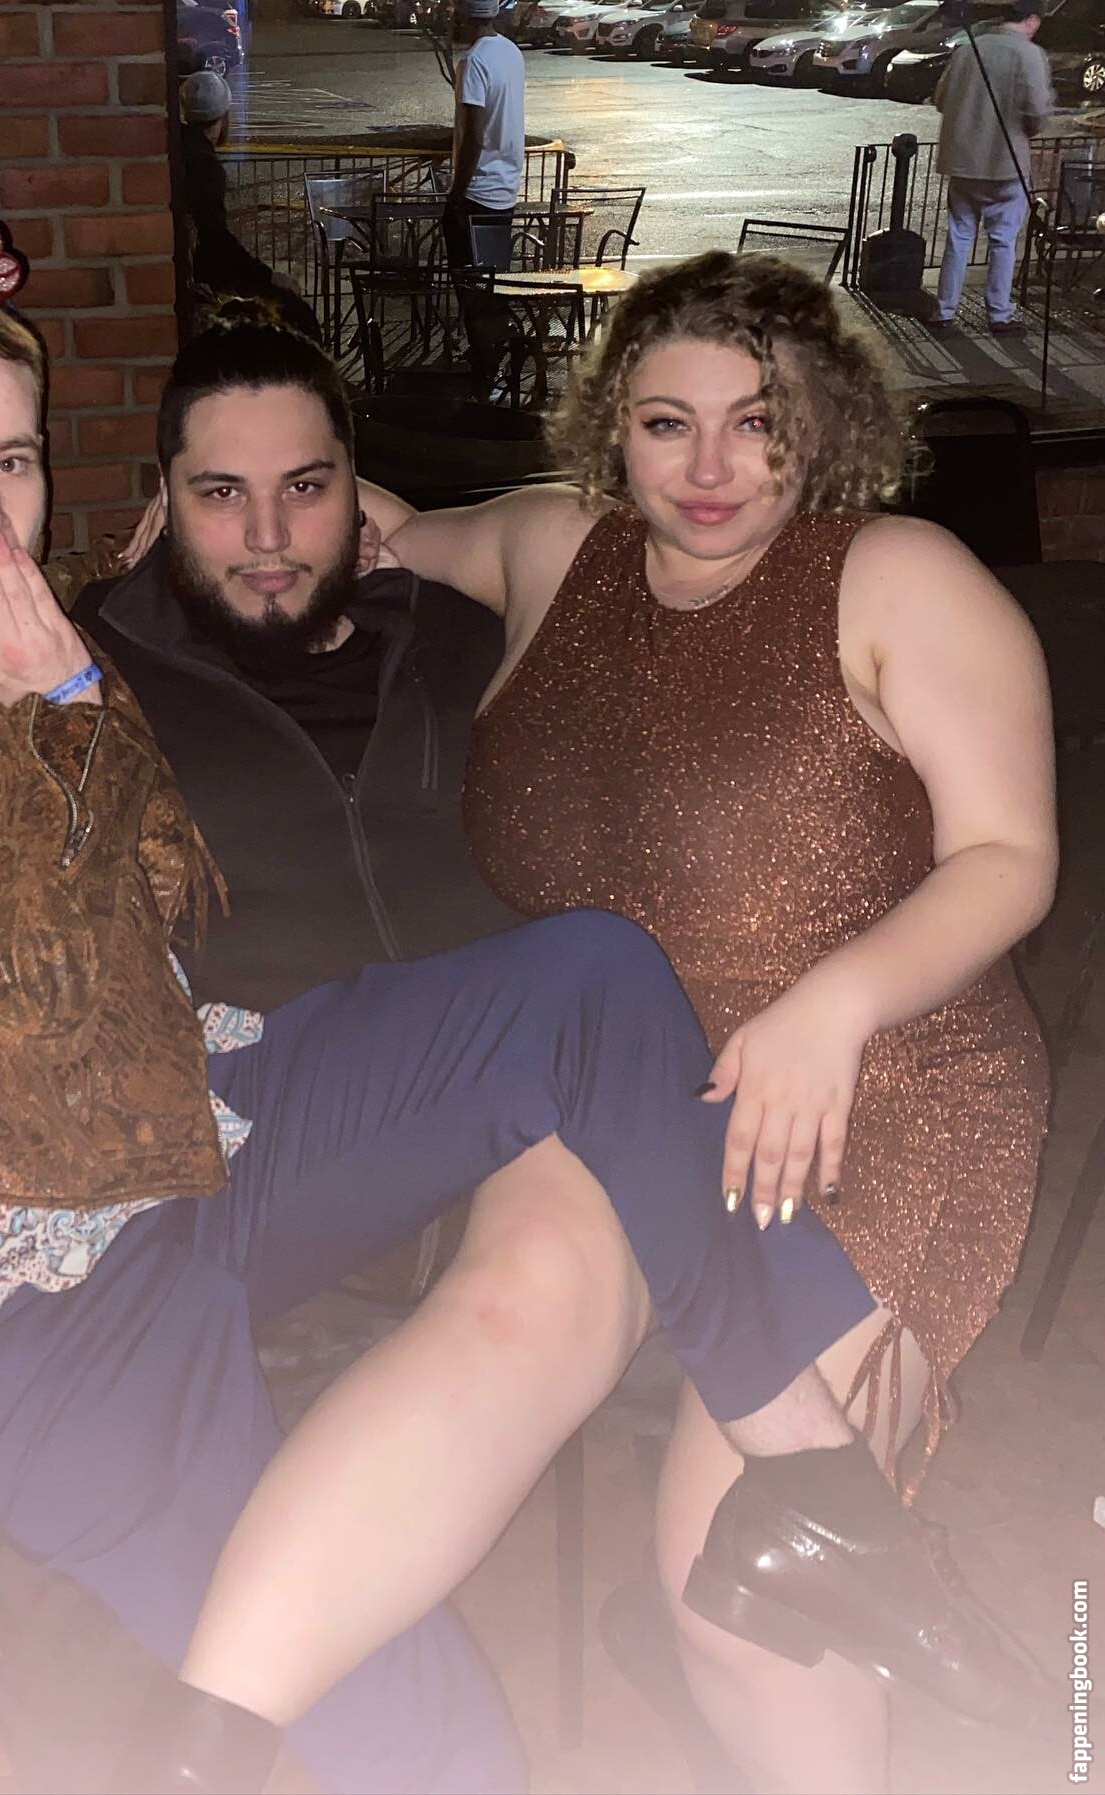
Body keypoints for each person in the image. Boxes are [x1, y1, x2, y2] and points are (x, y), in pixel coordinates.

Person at [0, 271, 1038, 1792]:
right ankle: (206, 1749)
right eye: (219, 494)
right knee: (420, 1726)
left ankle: (813, 1500)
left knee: (594, 975)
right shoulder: (65, 654)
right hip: (83, 1249)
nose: (266, 533)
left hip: (359, 1111)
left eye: (10, 462)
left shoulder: (461, 609)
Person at [376, 248, 1056, 1793]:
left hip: (883, 1084)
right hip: (630, 1101)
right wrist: (216, 514)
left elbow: (1011, 857)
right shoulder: (556, 547)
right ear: (610, 424)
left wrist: (835, 1001)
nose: (709, 467)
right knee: (481, 1352)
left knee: (748, 1578)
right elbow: (386, 527)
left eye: (760, 424)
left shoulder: (895, 576)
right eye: (666, 422)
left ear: (826, 428)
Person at [930, 0, 1053, 336]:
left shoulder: (968, 49)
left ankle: (944, 310)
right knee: (1003, 240)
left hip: (962, 162)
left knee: (959, 237)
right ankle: (998, 313)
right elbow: (1036, 112)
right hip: (1005, 163)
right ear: (1031, 20)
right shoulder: (1030, 55)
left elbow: (941, 99)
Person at [177, 69, 319, 339]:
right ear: (224, 117)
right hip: (200, 280)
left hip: (192, 274)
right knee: (296, 316)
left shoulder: (181, 148)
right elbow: (215, 239)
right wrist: (267, 277)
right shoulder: (204, 165)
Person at [445, 0, 525, 269]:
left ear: (462, 18)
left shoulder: (473, 61)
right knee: (493, 277)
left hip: (477, 194)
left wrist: (456, 195)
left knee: (467, 279)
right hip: (506, 191)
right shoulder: (511, 52)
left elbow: (474, 136)